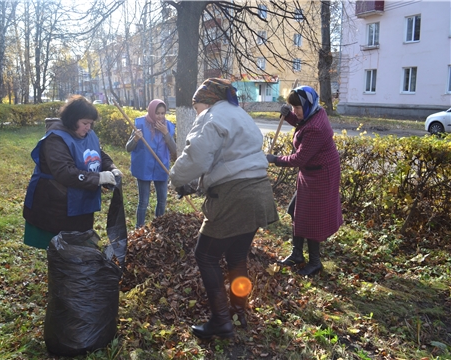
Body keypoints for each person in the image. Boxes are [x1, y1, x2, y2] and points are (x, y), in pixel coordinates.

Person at [169, 78, 279, 339]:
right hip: (258, 192)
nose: (196, 111)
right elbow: (226, 159)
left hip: (234, 197)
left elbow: (197, 154)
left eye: (196, 107)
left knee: (205, 255)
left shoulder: (211, 114)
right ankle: (238, 310)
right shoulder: (240, 114)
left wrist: (176, 178)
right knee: (237, 256)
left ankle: (221, 321)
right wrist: (195, 184)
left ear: (206, 100)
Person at [23, 94, 123, 249]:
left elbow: (98, 153)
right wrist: (98, 178)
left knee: (79, 247)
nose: (88, 127)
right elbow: (64, 172)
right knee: (60, 249)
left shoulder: (87, 133)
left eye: (90, 123)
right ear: (72, 119)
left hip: (81, 204)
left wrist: (111, 168)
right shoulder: (55, 139)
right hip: (56, 205)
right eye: (84, 123)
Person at [267, 86, 343, 276]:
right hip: (312, 172)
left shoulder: (316, 128)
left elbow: (300, 159)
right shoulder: (315, 112)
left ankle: (315, 262)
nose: (295, 111)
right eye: (292, 107)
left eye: (297, 108)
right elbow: (302, 123)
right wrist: (291, 117)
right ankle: (297, 254)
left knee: (312, 218)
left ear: (308, 104)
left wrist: (274, 159)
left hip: (321, 175)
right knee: (295, 210)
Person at [126, 99, 176, 228]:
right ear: (151, 111)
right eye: (157, 113)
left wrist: (166, 134)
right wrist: (136, 139)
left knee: (162, 200)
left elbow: (174, 150)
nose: (160, 116)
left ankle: (158, 226)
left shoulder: (169, 127)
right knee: (143, 201)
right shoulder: (140, 124)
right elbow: (128, 148)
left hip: (161, 166)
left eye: (162, 113)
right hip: (144, 167)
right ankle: (139, 227)